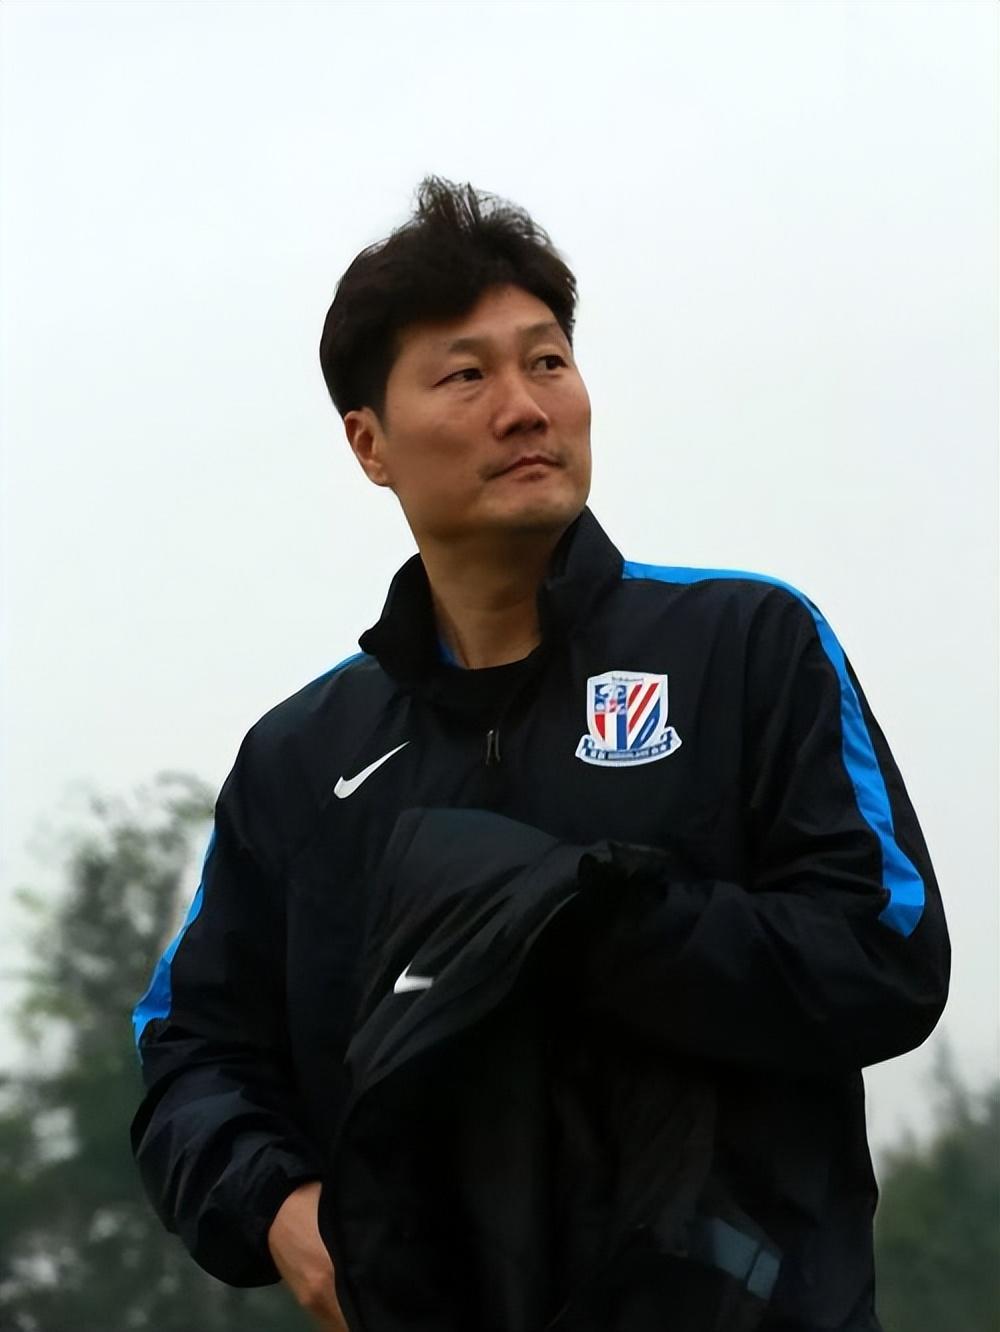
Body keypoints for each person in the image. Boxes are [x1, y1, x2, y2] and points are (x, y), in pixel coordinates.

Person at [131, 179, 949, 1332]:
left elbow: (884, 952)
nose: (524, 408)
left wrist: (577, 919)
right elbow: (190, 1047)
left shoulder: (747, 645)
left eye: (547, 362)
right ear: (369, 443)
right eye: (466, 376)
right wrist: (281, 1210)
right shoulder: (301, 759)